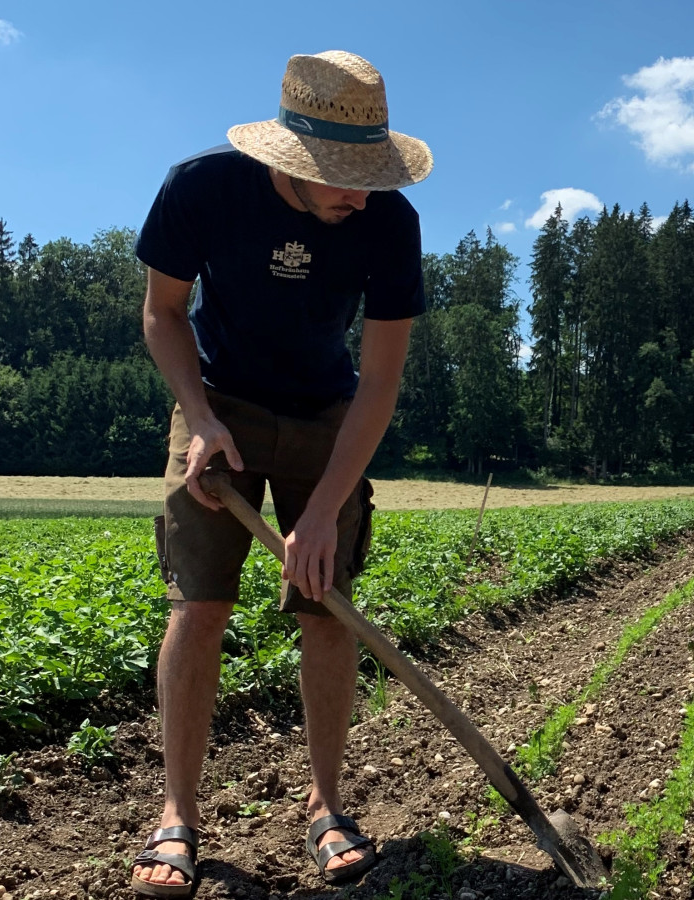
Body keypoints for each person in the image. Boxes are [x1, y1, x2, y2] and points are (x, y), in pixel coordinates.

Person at [129, 50, 432, 897]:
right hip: (218, 400)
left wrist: (327, 508)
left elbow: (379, 382)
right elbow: (162, 314)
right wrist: (201, 416)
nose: (359, 195)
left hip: (327, 416)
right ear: (289, 156)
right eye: (342, 176)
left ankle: (325, 806)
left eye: (371, 174)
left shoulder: (387, 224)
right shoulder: (202, 190)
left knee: (326, 609)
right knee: (199, 606)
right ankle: (178, 816)